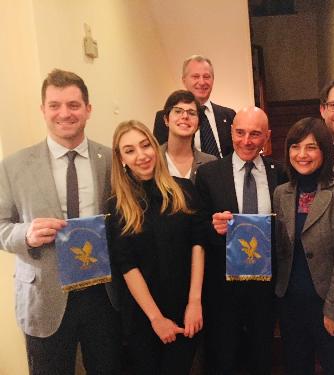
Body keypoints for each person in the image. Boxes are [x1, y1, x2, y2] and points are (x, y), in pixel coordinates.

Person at [0, 69, 121, 374]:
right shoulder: (13, 166)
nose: (64, 113)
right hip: (45, 298)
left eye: (73, 105)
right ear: (43, 110)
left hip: (103, 295)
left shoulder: (111, 160)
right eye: (55, 105)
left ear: (88, 110)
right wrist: (26, 233)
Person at [107, 120, 206, 374]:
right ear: (120, 159)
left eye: (145, 145)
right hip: (143, 316)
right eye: (130, 150)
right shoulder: (118, 206)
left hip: (185, 308)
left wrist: (194, 301)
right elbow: (127, 266)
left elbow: (198, 245)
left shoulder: (184, 189)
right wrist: (156, 319)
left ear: (154, 147)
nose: (141, 156)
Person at [195, 106, 287, 374]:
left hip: (265, 286)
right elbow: (197, 228)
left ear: (267, 136)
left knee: (261, 355)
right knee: (224, 357)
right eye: (240, 132)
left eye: (255, 134)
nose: (246, 141)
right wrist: (214, 227)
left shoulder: (279, 173)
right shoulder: (209, 174)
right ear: (231, 131)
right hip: (223, 288)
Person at [273, 117, 334, 375]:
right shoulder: (282, 192)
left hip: (330, 305)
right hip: (291, 305)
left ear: (325, 151)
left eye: (311, 147)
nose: (302, 154)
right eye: (295, 147)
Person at [154, 55, 236, 158]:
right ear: (184, 80)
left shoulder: (229, 115)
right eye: (195, 76)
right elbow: (160, 158)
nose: (202, 82)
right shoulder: (168, 117)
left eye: (206, 77)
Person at [160, 90, 217, 182]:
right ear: (166, 119)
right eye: (178, 111)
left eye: (192, 113)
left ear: (198, 125)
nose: (185, 116)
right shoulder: (152, 158)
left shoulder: (210, 162)